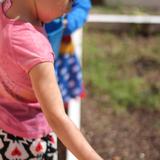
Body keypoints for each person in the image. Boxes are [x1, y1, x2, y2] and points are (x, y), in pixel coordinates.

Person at [0, 0, 103, 159]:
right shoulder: (36, 49)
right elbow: (57, 118)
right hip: (31, 144)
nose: (69, 8)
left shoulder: (4, 9)